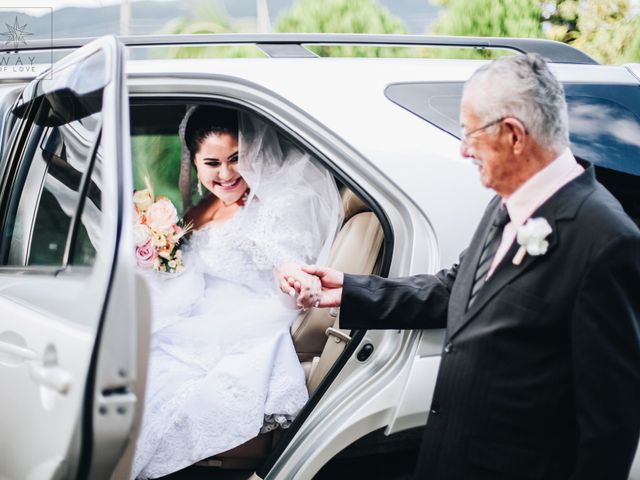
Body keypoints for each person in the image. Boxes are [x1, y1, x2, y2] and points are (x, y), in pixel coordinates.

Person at [287, 54, 640, 479]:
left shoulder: (606, 240)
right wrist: (350, 289)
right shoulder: (506, 203)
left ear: (513, 135)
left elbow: (611, 422)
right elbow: (458, 287)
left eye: (470, 132)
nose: (463, 148)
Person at [131, 105, 342, 479]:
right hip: (194, 309)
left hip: (240, 322)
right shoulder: (205, 206)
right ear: (195, 163)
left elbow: (284, 259)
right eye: (212, 163)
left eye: (236, 158)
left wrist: (296, 276)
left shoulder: (272, 207)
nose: (227, 174)